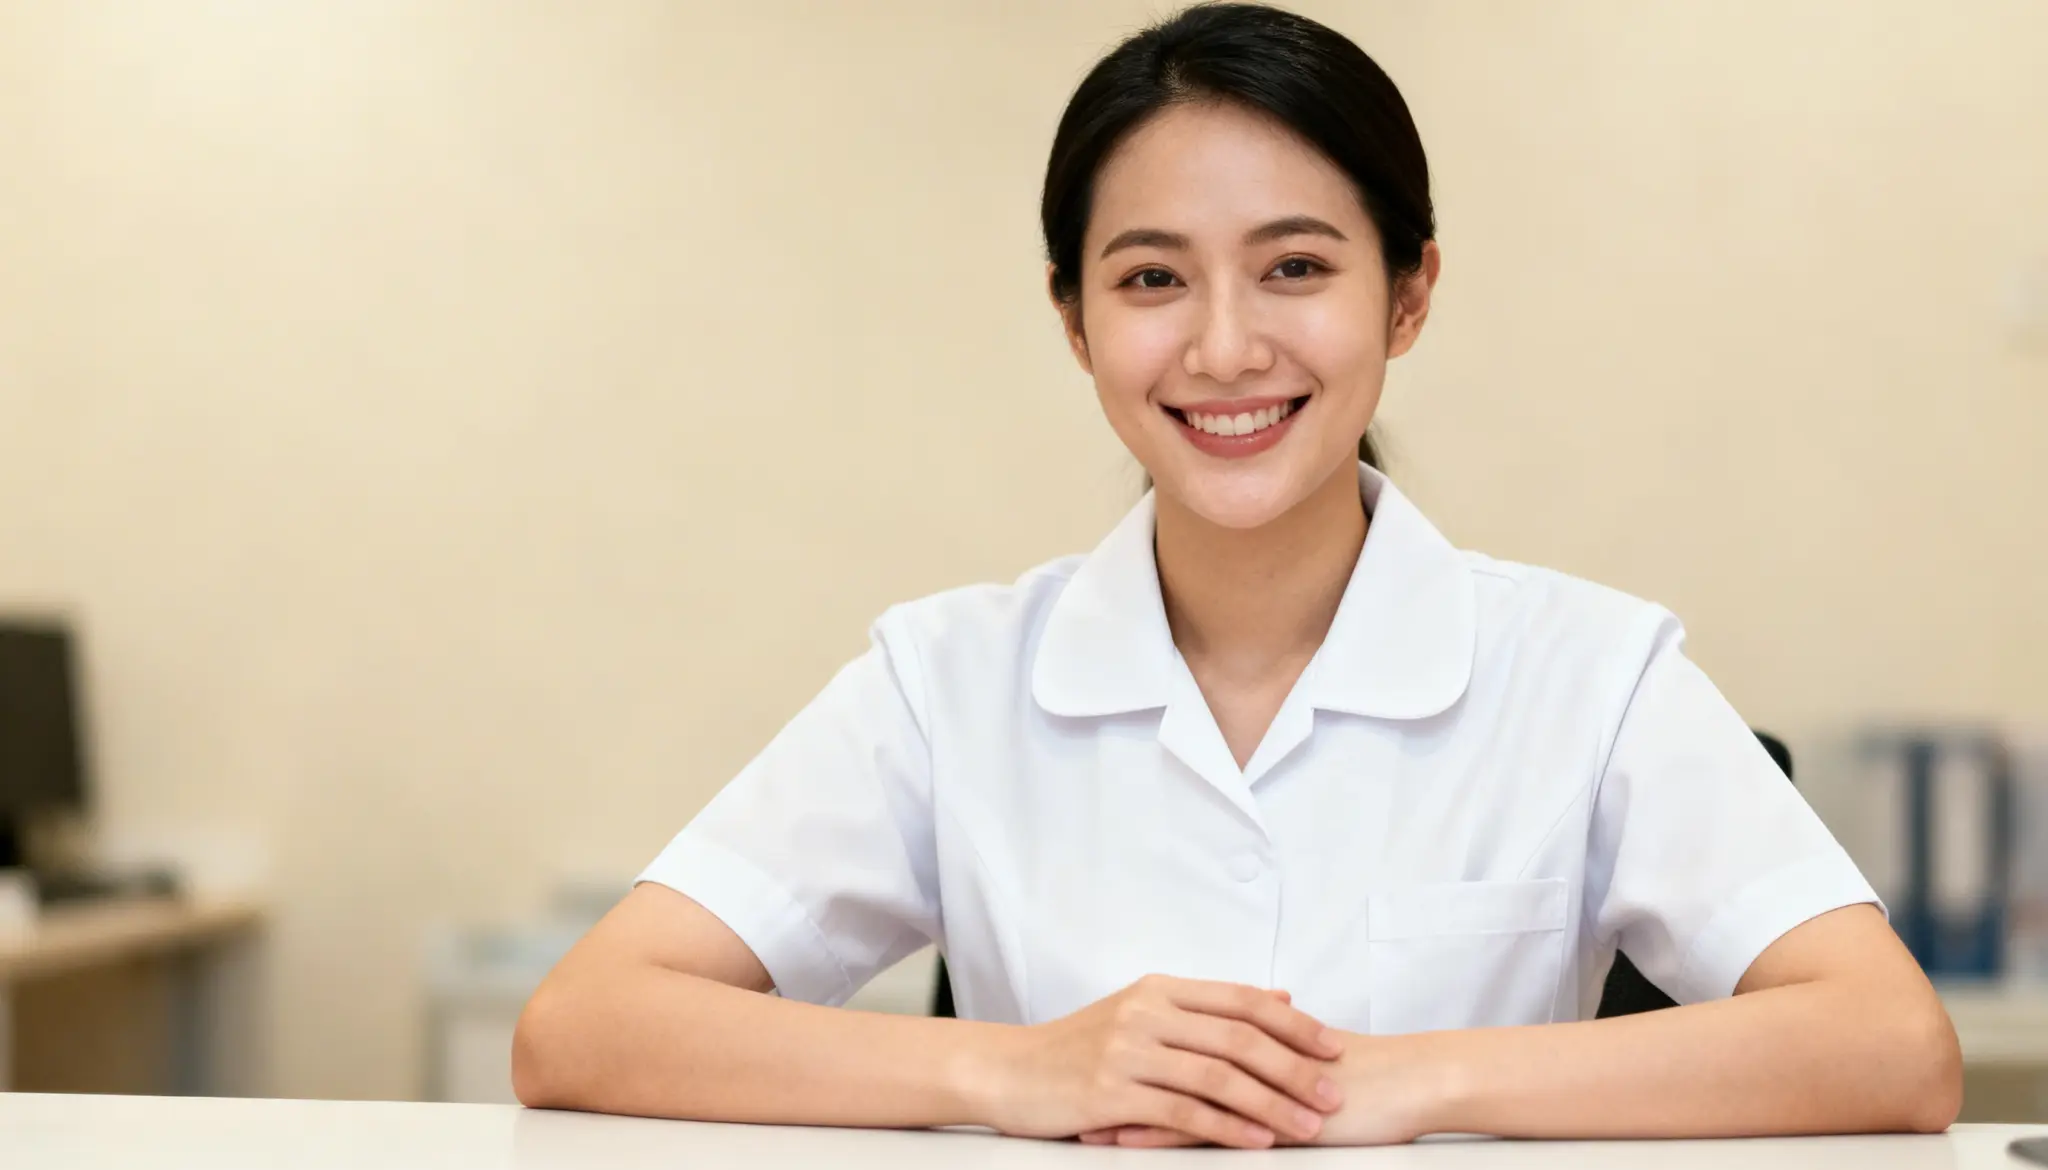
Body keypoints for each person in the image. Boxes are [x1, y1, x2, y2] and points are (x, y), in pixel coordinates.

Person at [512, 2, 1960, 1148]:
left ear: (1409, 293)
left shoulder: (1590, 670)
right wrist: (1023, 1070)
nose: (1221, 349)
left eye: (1294, 269)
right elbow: (583, 1025)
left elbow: (1890, 1048)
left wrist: (1403, 1082)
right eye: (1151, 278)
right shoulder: (945, 677)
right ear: (1074, 321)